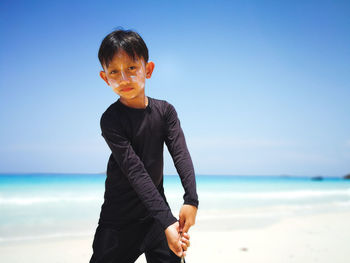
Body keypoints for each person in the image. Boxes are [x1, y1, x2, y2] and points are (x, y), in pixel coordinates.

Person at [89, 29, 199, 263]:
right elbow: (135, 171)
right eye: (114, 72)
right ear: (104, 77)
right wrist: (169, 222)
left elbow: (180, 154)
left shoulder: (165, 111)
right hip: (117, 222)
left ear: (147, 70)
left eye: (131, 68)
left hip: (156, 216)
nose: (124, 78)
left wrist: (191, 200)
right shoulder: (111, 120)